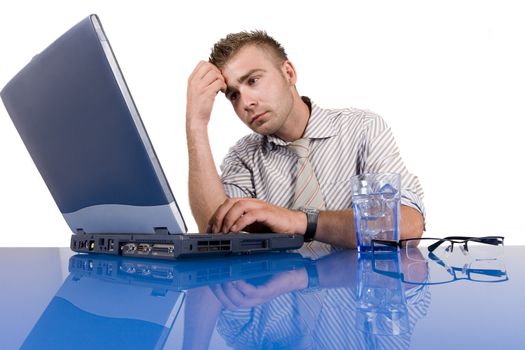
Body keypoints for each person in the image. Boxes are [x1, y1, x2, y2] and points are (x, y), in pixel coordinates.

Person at [185, 30, 425, 248]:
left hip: (359, 290)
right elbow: (214, 234)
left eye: (253, 81)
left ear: (288, 73)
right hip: (280, 293)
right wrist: (197, 124)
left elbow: (407, 226)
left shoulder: (361, 128)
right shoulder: (244, 156)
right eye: (234, 95)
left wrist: (299, 221)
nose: (246, 103)